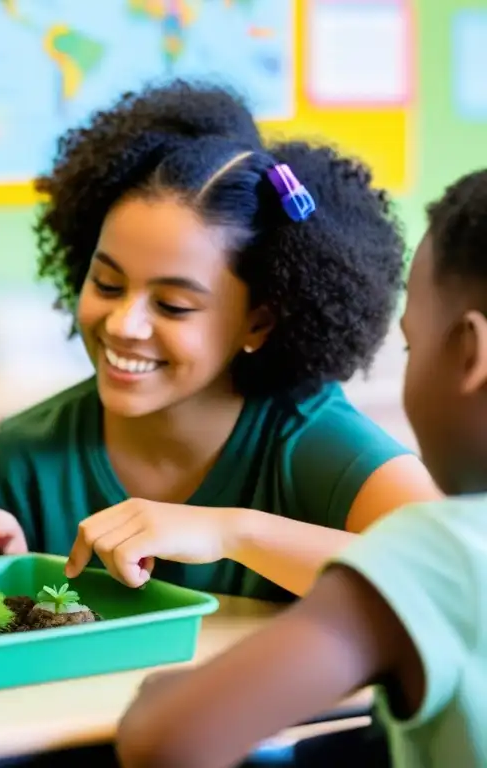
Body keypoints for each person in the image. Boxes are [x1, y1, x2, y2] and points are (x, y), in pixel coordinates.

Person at [0, 81, 439, 600]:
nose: (123, 324)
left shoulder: (313, 443)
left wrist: (232, 533)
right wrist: (7, 571)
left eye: (173, 305)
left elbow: (457, 573)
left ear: (259, 323)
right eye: (107, 284)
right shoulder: (30, 454)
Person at [113, 167, 487, 768]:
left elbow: (169, 742)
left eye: (413, 345)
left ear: (470, 355)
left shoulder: (440, 553)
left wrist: (164, 698)